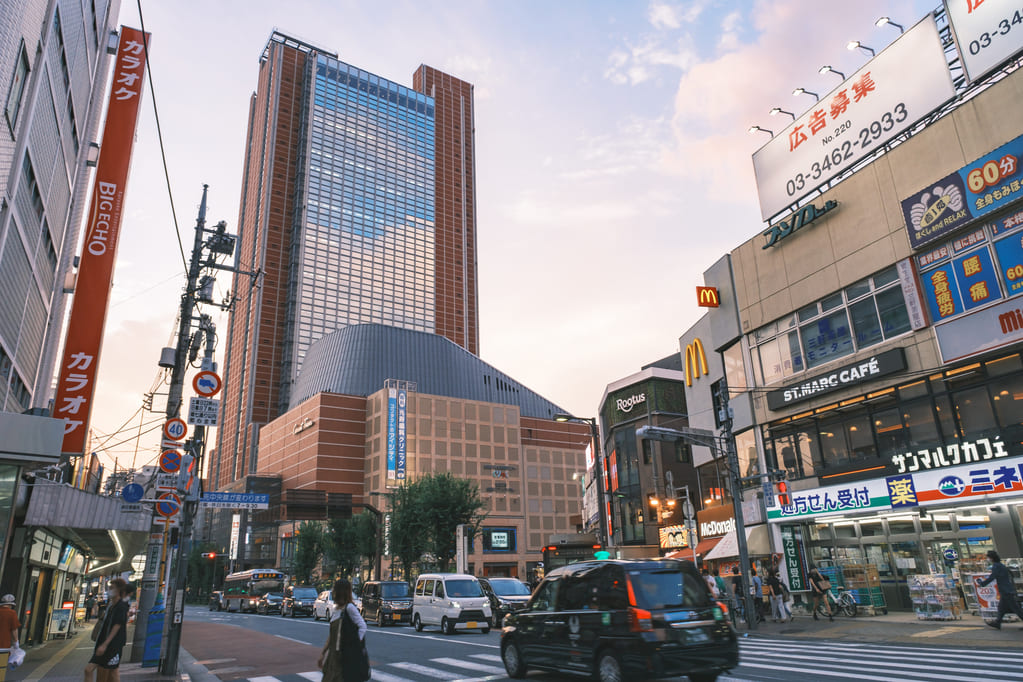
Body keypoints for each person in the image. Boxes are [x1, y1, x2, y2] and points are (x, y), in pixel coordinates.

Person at [318, 578, 368, 682]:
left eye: (335, 589)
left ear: (340, 592)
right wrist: (323, 653)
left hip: (344, 655)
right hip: (333, 655)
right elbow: (332, 635)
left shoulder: (349, 608)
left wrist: (353, 645)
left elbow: (362, 626)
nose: (333, 592)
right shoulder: (336, 609)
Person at [85, 578, 129, 682]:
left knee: (111, 673)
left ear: (119, 590)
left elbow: (117, 626)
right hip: (104, 644)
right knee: (91, 670)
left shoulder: (121, 606)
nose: (109, 590)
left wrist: (105, 644)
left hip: (112, 646)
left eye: (111, 588)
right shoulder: (111, 605)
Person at [979, 550, 1023, 629]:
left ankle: (997, 622)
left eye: (988, 557)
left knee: (1016, 609)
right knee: (1001, 607)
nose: (988, 559)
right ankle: (997, 622)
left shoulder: (996, 566)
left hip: (1005, 590)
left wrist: (983, 584)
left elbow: (992, 576)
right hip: (1007, 589)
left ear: (991, 558)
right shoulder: (1001, 565)